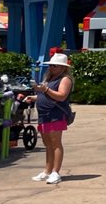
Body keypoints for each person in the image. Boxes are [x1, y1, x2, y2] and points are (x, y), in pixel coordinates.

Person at [29, 52, 74, 185]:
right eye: (51, 65)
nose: (51, 68)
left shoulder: (65, 79)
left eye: (55, 66)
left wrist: (46, 90)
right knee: (47, 144)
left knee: (55, 144)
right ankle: (47, 171)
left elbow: (61, 96)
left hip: (56, 114)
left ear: (63, 68)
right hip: (44, 114)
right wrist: (34, 97)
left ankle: (55, 172)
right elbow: (45, 96)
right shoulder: (49, 78)